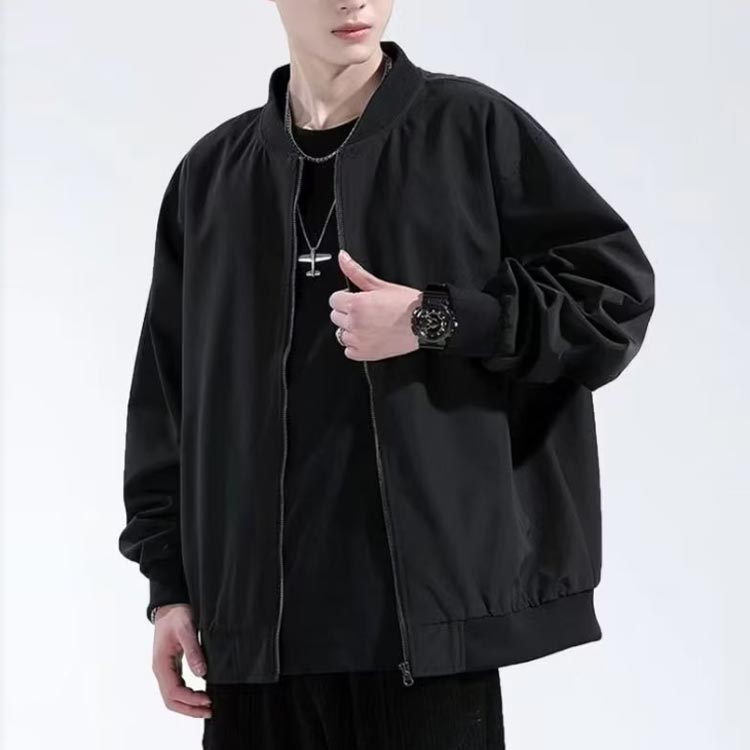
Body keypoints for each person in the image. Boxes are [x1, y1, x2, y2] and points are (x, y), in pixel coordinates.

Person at [118, 1, 655, 747]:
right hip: (253, 653)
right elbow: (164, 402)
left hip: (422, 649)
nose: (355, 0)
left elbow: (613, 300)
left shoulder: (470, 128)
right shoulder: (211, 176)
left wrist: (434, 319)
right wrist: (169, 589)